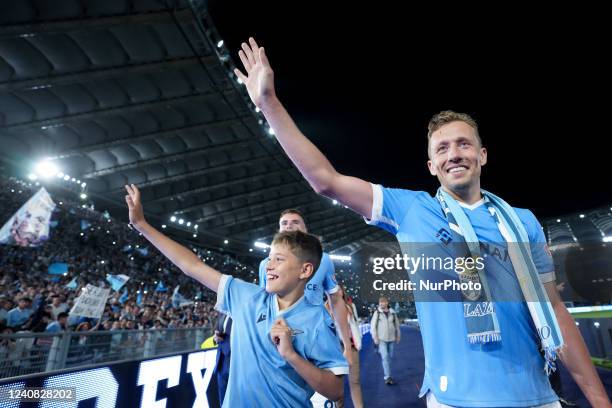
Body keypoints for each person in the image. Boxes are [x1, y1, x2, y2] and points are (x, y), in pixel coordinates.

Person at [233, 37, 610, 407]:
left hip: (536, 397)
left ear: (482, 154)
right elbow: (325, 180)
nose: (454, 154)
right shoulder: (411, 210)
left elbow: (555, 313)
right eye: (442, 149)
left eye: (464, 144)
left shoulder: (521, 222)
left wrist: (599, 400)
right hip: (452, 400)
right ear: (431, 166)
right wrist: (268, 103)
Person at [124, 184, 347, 407]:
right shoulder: (245, 296)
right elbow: (191, 265)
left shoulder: (317, 320)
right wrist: (142, 225)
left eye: (279, 259)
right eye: (269, 258)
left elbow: (336, 390)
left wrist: (291, 355)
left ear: (305, 270)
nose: (269, 266)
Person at [259, 209, 353, 364]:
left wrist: (347, 347)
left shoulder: (324, 261)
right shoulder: (265, 265)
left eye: (295, 222)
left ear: (305, 230)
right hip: (278, 343)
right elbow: (263, 306)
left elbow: (336, 301)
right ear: (279, 230)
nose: (289, 225)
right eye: (284, 223)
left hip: (316, 341)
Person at [325, 286, 364, 408]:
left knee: (355, 381)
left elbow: (355, 325)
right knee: (338, 384)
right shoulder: (325, 307)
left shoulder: (350, 307)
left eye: (339, 289)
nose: (338, 292)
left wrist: (358, 341)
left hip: (352, 346)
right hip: (336, 349)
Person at [371, 297, 401, 385]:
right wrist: (375, 337)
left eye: (383, 302)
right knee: (385, 357)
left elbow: (397, 325)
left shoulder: (392, 313)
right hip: (381, 339)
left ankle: (387, 372)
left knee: (390, 356)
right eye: (380, 302)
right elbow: (373, 326)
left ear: (387, 303)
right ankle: (387, 377)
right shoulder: (377, 313)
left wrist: (398, 336)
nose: (381, 304)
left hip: (391, 339)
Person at [214, 312, 232, 404]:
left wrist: (225, 340)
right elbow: (217, 332)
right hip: (221, 361)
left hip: (234, 362)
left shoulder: (241, 313)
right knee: (223, 400)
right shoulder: (222, 314)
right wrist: (215, 338)